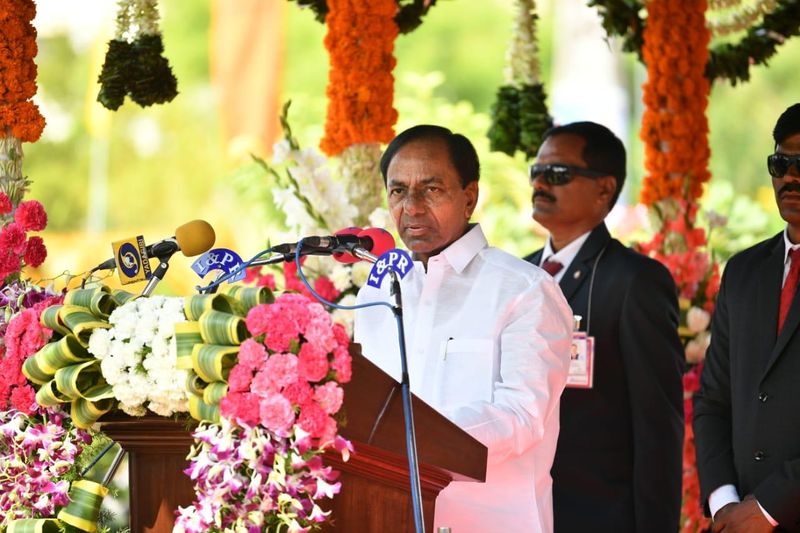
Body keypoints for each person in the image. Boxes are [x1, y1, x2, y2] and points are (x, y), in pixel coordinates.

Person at [354, 124, 573, 532]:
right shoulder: (379, 286)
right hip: (387, 513)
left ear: (469, 196)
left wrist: (413, 436)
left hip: (490, 521)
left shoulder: (525, 290)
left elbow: (523, 416)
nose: (412, 207)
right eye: (398, 191)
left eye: (431, 189)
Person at [524, 121, 685, 532]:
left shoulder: (635, 281)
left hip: (599, 516)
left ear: (604, 189)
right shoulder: (516, 275)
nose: (541, 182)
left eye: (557, 174)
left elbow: (657, 428)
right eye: (536, 172)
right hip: (517, 510)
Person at [694, 103, 800, 532]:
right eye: (781, 162)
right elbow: (714, 399)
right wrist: (724, 501)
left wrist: (770, 508)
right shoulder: (744, 271)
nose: (791, 177)